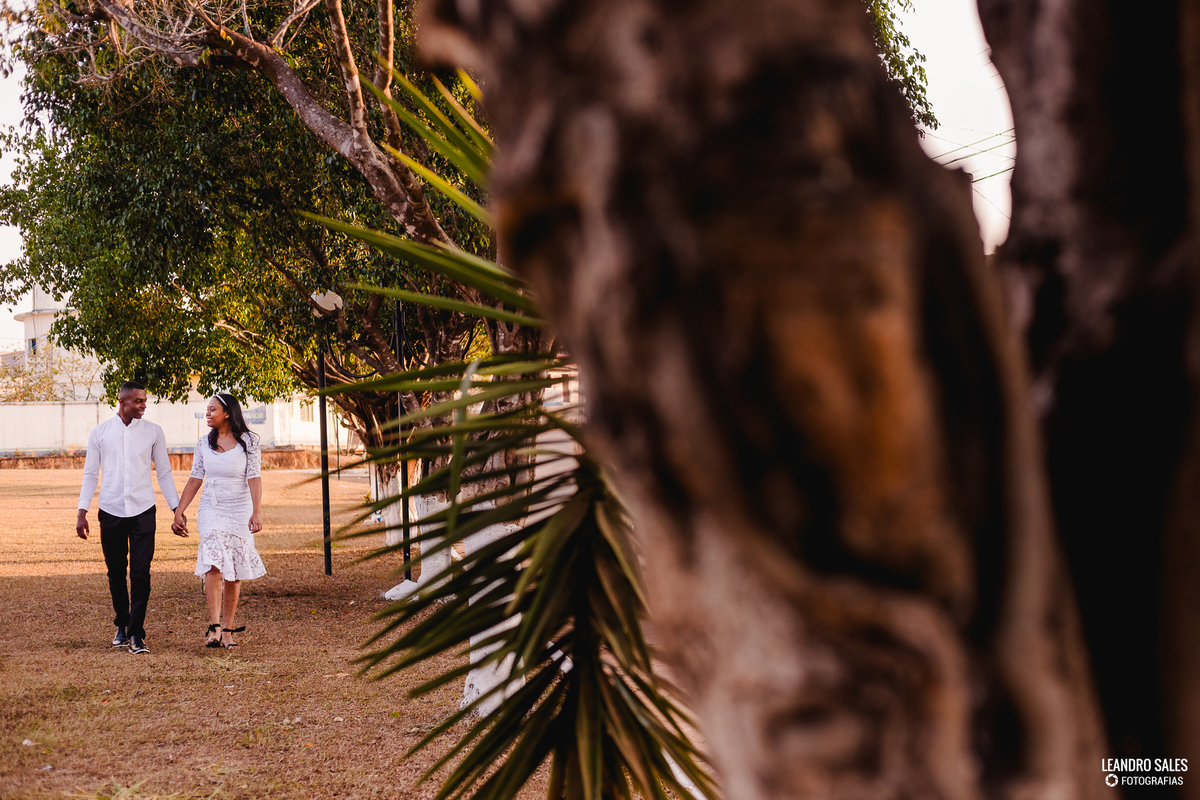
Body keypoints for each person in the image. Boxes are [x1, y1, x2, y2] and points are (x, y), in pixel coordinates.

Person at [77, 380, 186, 655]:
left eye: (144, 400)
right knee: (115, 573)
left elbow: (164, 472)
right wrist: (82, 512)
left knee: (140, 574)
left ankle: (137, 633)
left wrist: (177, 509)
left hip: (143, 512)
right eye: (138, 401)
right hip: (110, 511)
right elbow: (90, 474)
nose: (143, 405)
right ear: (122, 401)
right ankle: (122, 625)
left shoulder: (153, 432)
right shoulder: (100, 433)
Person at [174, 393, 266, 649]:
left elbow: (254, 477)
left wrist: (256, 512)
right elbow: (195, 478)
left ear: (227, 413)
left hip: (239, 510)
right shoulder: (204, 443)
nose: (208, 413)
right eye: (207, 409)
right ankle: (213, 627)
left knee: (234, 570)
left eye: (212, 409)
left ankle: (227, 630)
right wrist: (179, 510)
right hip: (211, 509)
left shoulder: (248, 441)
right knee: (214, 562)